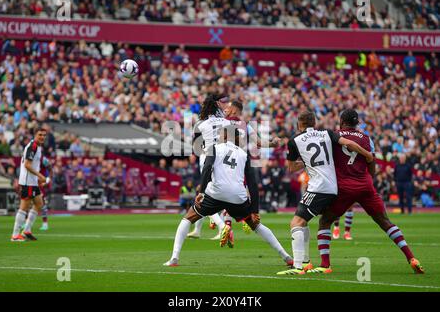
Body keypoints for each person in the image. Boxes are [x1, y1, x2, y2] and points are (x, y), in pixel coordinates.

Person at [304, 109, 424, 274]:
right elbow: (372, 166)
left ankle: (325, 265)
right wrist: (366, 181)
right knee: (385, 222)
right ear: (357, 123)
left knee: (325, 222)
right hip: (365, 185)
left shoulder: (333, 136)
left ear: (341, 121)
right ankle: (411, 257)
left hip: (344, 187)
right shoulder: (367, 139)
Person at [164, 125, 292, 266]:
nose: (218, 137)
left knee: (188, 218)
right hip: (237, 197)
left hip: (216, 194)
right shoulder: (244, 154)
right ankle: (286, 257)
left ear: (225, 136)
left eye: (220, 134)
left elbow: (207, 168)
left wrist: (201, 192)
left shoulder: (214, 148)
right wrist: (255, 210)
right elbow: (252, 183)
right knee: (256, 226)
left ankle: (174, 258)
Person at [277, 110, 373, 275]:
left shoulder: (294, 140)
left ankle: (298, 266)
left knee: (296, 223)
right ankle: (306, 263)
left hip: (317, 187)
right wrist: (367, 155)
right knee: (304, 222)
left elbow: (291, 168)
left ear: (299, 124)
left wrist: (305, 162)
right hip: (333, 187)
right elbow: (349, 144)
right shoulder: (327, 133)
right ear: (314, 123)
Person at [186, 93, 231, 240]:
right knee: (213, 191)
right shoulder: (225, 121)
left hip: (208, 156)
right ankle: (198, 229)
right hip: (224, 156)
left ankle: (222, 226)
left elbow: (197, 145)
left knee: (206, 194)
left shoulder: (200, 123)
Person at [11, 127, 49, 241]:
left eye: (44, 135)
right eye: (40, 135)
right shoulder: (32, 146)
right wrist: (40, 176)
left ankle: (27, 230)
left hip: (32, 181)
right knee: (24, 207)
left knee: (39, 203)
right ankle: (15, 235)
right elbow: (27, 165)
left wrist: (36, 178)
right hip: (27, 182)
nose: (42, 137)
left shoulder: (37, 147)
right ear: (34, 135)